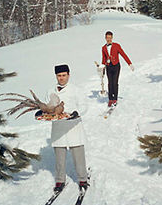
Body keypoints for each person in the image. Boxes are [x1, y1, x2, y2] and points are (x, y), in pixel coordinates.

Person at [40, 64, 89, 193]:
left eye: (64, 75)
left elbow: (84, 105)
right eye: (59, 76)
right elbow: (47, 106)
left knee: (78, 156)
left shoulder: (76, 89)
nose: (61, 78)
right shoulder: (50, 90)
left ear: (68, 75)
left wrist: (77, 112)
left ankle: (83, 179)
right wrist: (42, 112)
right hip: (58, 128)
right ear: (56, 76)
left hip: (74, 126)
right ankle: (60, 181)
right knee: (59, 158)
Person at [101, 31, 134, 107]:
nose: (108, 39)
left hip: (116, 66)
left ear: (112, 38)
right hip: (108, 66)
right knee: (110, 83)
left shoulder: (116, 45)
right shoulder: (103, 48)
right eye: (107, 38)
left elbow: (123, 54)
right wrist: (102, 67)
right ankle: (110, 99)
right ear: (105, 38)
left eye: (110, 37)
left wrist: (129, 63)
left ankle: (115, 98)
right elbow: (104, 58)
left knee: (115, 82)